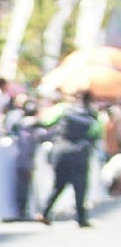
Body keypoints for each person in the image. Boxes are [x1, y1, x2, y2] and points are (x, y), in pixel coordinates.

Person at [37, 91, 103, 227]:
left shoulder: (63, 109)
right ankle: (81, 219)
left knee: (58, 184)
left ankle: (44, 212)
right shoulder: (93, 115)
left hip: (61, 149)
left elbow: (45, 121)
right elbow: (97, 133)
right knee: (80, 187)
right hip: (80, 152)